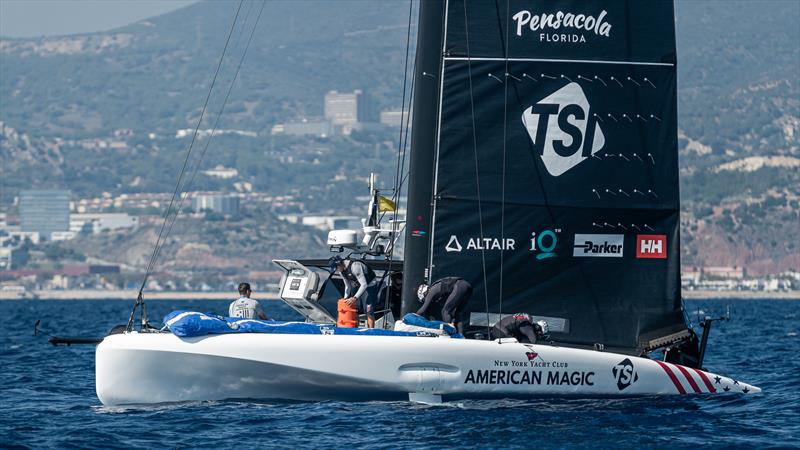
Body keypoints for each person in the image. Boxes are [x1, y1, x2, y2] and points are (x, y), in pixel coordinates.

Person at [330, 256, 379, 328]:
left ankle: (371, 330)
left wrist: (354, 298)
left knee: (369, 310)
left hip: (370, 285)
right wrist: (345, 299)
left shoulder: (355, 266)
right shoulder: (341, 271)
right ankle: (355, 328)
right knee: (355, 308)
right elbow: (347, 286)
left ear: (340, 264)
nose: (337, 270)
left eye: (337, 268)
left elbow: (364, 285)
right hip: (359, 285)